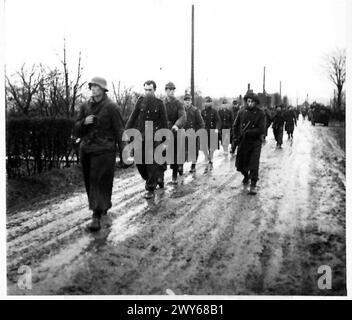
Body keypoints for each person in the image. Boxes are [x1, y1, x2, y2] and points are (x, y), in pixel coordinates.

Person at [75, 76, 124, 231]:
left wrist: (125, 153)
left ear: (103, 89)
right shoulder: (84, 106)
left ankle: (96, 215)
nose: (93, 89)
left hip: (104, 150)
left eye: (96, 86)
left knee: (99, 180)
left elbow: (119, 131)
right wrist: (84, 122)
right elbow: (76, 128)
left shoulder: (111, 107)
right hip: (87, 149)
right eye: (92, 86)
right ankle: (102, 207)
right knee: (90, 182)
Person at [125, 80, 168, 199]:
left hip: (154, 137)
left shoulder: (159, 104)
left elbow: (164, 123)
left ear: (154, 90)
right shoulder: (140, 102)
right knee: (139, 162)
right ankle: (150, 178)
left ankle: (150, 188)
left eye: (150, 90)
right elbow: (132, 118)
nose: (147, 92)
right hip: (140, 136)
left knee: (152, 163)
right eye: (146, 90)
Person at [233, 90, 266, 195]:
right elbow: (235, 125)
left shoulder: (260, 113)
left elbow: (261, 129)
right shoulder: (241, 112)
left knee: (254, 164)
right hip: (243, 142)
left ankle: (253, 185)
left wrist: (249, 132)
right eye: (248, 101)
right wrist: (235, 137)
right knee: (242, 164)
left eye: (252, 101)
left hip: (255, 142)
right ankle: (245, 176)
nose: (250, 103)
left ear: (255, 102)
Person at [163, 82, 186, 184]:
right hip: (163, 132)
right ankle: (160, 177)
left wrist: (177, 125)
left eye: (173, 90)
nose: (171, 92)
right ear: (166, 90)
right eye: (169, 89)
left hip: (175, 131)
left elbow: (182, 116)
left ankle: (174, 176)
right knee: (161, 154)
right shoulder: (162, 103)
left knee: (176, 154)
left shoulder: (178, 103)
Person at [183, 93, 205, 173]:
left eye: (189, 100)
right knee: (183, 151)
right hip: (183, 134)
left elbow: (201, 123)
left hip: (194, 134)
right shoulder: (181, 110)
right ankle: (180, 167)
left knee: (194, 151)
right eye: (185, 100)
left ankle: (193, 166)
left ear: (191, 101)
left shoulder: (195, 110)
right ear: (183, 101)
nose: (187, 102)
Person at [201, 96, 221, 172]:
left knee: (211, 147)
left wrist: (217, 129)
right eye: (207, 102)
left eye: (209, 102)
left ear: (211, 103)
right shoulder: (202, 112)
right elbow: (200, 121)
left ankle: (211, 158)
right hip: (205, 130)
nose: (208, 103)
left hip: (212, 130)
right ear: (204, 103)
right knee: (204, 146)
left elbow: (218, 121)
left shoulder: (214, 111)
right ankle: (207, 157)